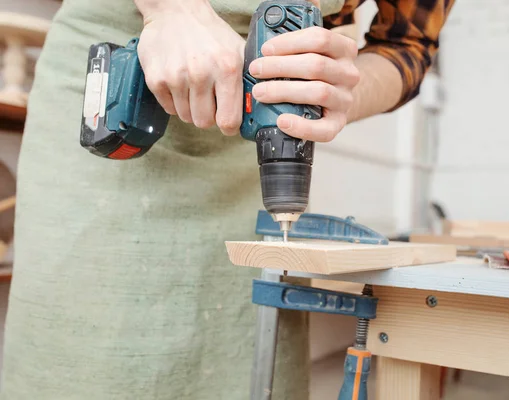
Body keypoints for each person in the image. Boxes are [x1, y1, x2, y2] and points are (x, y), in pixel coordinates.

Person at [0, 0, 454, 398]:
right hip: (120, 91)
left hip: (249, 153)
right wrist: (172, 9)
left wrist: (338, 94)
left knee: (248, 360)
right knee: (80, 365)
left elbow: (407, 44)